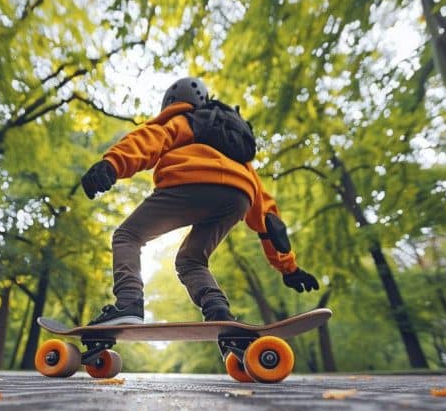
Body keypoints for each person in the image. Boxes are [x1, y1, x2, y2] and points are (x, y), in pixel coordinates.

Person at [80, 76, 319, 331]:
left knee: (128, 235)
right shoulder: (239, 154)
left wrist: (112, 164)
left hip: (189, 183)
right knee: (191, 260)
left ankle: (128, 302)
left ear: (173, 102)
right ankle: (220, 314)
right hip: (238, 197)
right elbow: (268, 218)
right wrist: (288, 267)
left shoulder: (187, 120)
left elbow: (153, 138)